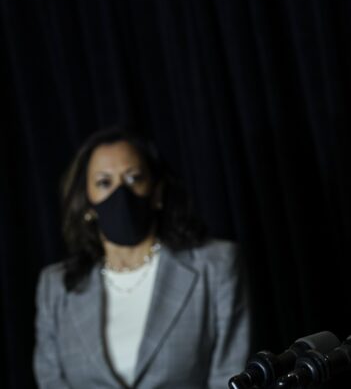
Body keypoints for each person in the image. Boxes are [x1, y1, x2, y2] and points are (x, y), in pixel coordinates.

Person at [34, 128, 251, 388]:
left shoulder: (215, 265)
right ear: (87, 202)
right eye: (104, 182)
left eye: (133, 178)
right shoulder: (55, 285)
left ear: (156, 192)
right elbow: (50, 380)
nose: (120, 193)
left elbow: (230, 376)